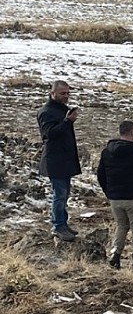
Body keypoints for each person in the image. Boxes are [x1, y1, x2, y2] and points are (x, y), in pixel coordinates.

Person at [97, 121, 133, 270]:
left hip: (115, 198)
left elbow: (100, 175)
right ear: (132, 132)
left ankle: (115, 255)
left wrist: (108, 192)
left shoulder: (106, 151)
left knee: (121, 226)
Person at [36, 80, 82, 242]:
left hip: (64, 159)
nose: (66, 96)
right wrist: (67, 122)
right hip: (54, 160)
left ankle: (63, 223)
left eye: (68, 93)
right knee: (59, 194)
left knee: (64, 193)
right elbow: (49, 134)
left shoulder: (62, 111)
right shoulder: (46, 112)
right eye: (63, 93)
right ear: (52, 93)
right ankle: (58, 225)